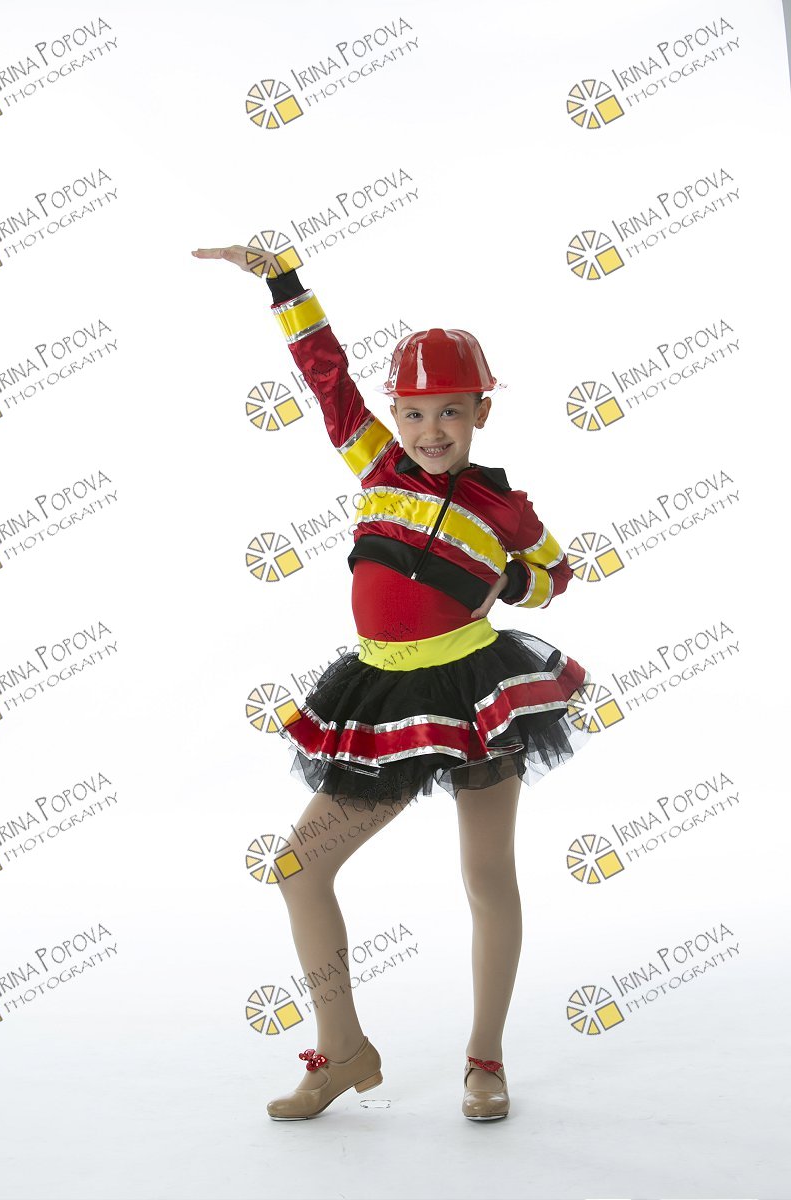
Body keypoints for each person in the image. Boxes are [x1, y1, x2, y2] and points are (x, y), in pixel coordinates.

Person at [191, 243, 595, 1122]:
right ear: (395, 416)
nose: (430, 431)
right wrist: (283, 282)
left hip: (476, 696)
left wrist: (510, 579)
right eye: (413, 413)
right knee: (300, 867)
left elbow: (557, 574)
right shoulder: (377, 464)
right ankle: (343, 1052)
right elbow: (326, 378)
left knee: (486, 875)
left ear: (482, 411)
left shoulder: (504, 506)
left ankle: (484, 1060)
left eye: (450, 411)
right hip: (380, 697)